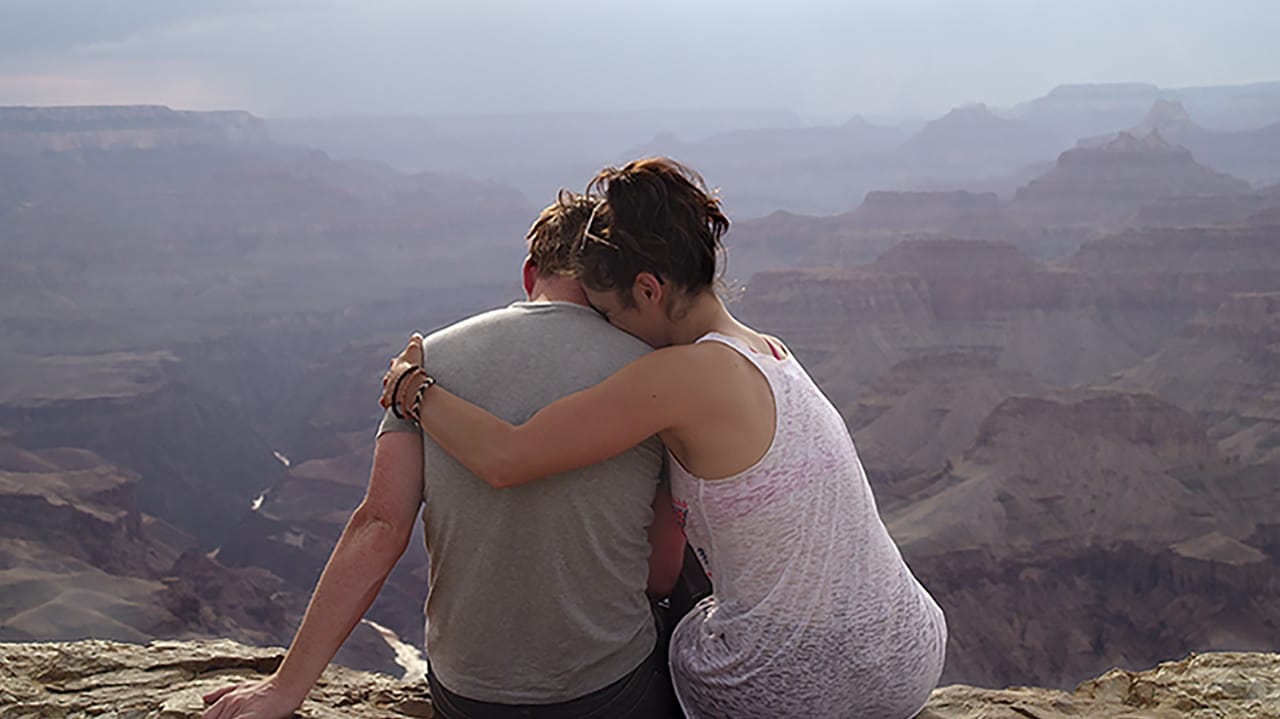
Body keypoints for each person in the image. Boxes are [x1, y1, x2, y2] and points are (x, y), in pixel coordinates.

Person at [380, 157, 948, 719]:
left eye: (608, 313)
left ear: (649, 289)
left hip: (791, 684)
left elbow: (507, 457)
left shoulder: (681, 377)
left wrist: (414, 388)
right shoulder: (770, 352)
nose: (609, 332)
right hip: (907, 654)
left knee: (639, 637)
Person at [203, 191, 687, 719]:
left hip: (470, 693)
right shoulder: (655, 376)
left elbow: (379, 525)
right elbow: (660, 573)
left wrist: (286, 688)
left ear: (530, 274)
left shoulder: (426, 363)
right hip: (609, 689)